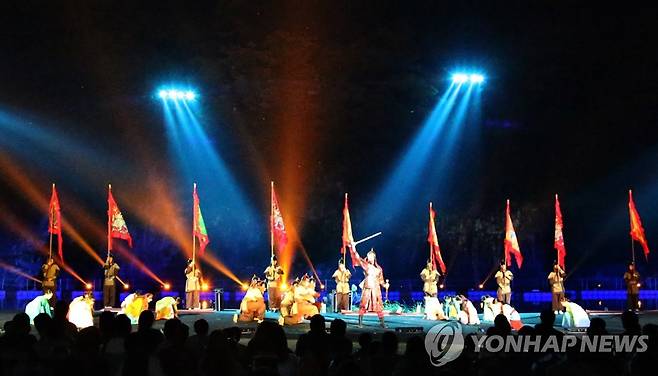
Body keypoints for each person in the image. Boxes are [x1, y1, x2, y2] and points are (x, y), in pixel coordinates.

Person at [349, 247, 389, 328]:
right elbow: (358, 258)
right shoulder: (366, 265)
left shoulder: (379, 269)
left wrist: (385, 285)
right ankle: (360, 323)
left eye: (371, 256)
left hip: (376, 289)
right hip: (367, 287)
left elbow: (381, 280)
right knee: (363, 304)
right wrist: (353, 248)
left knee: (378, 305)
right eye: (368, 256)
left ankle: (382, 323)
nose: (369, 258)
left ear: (374, 257)